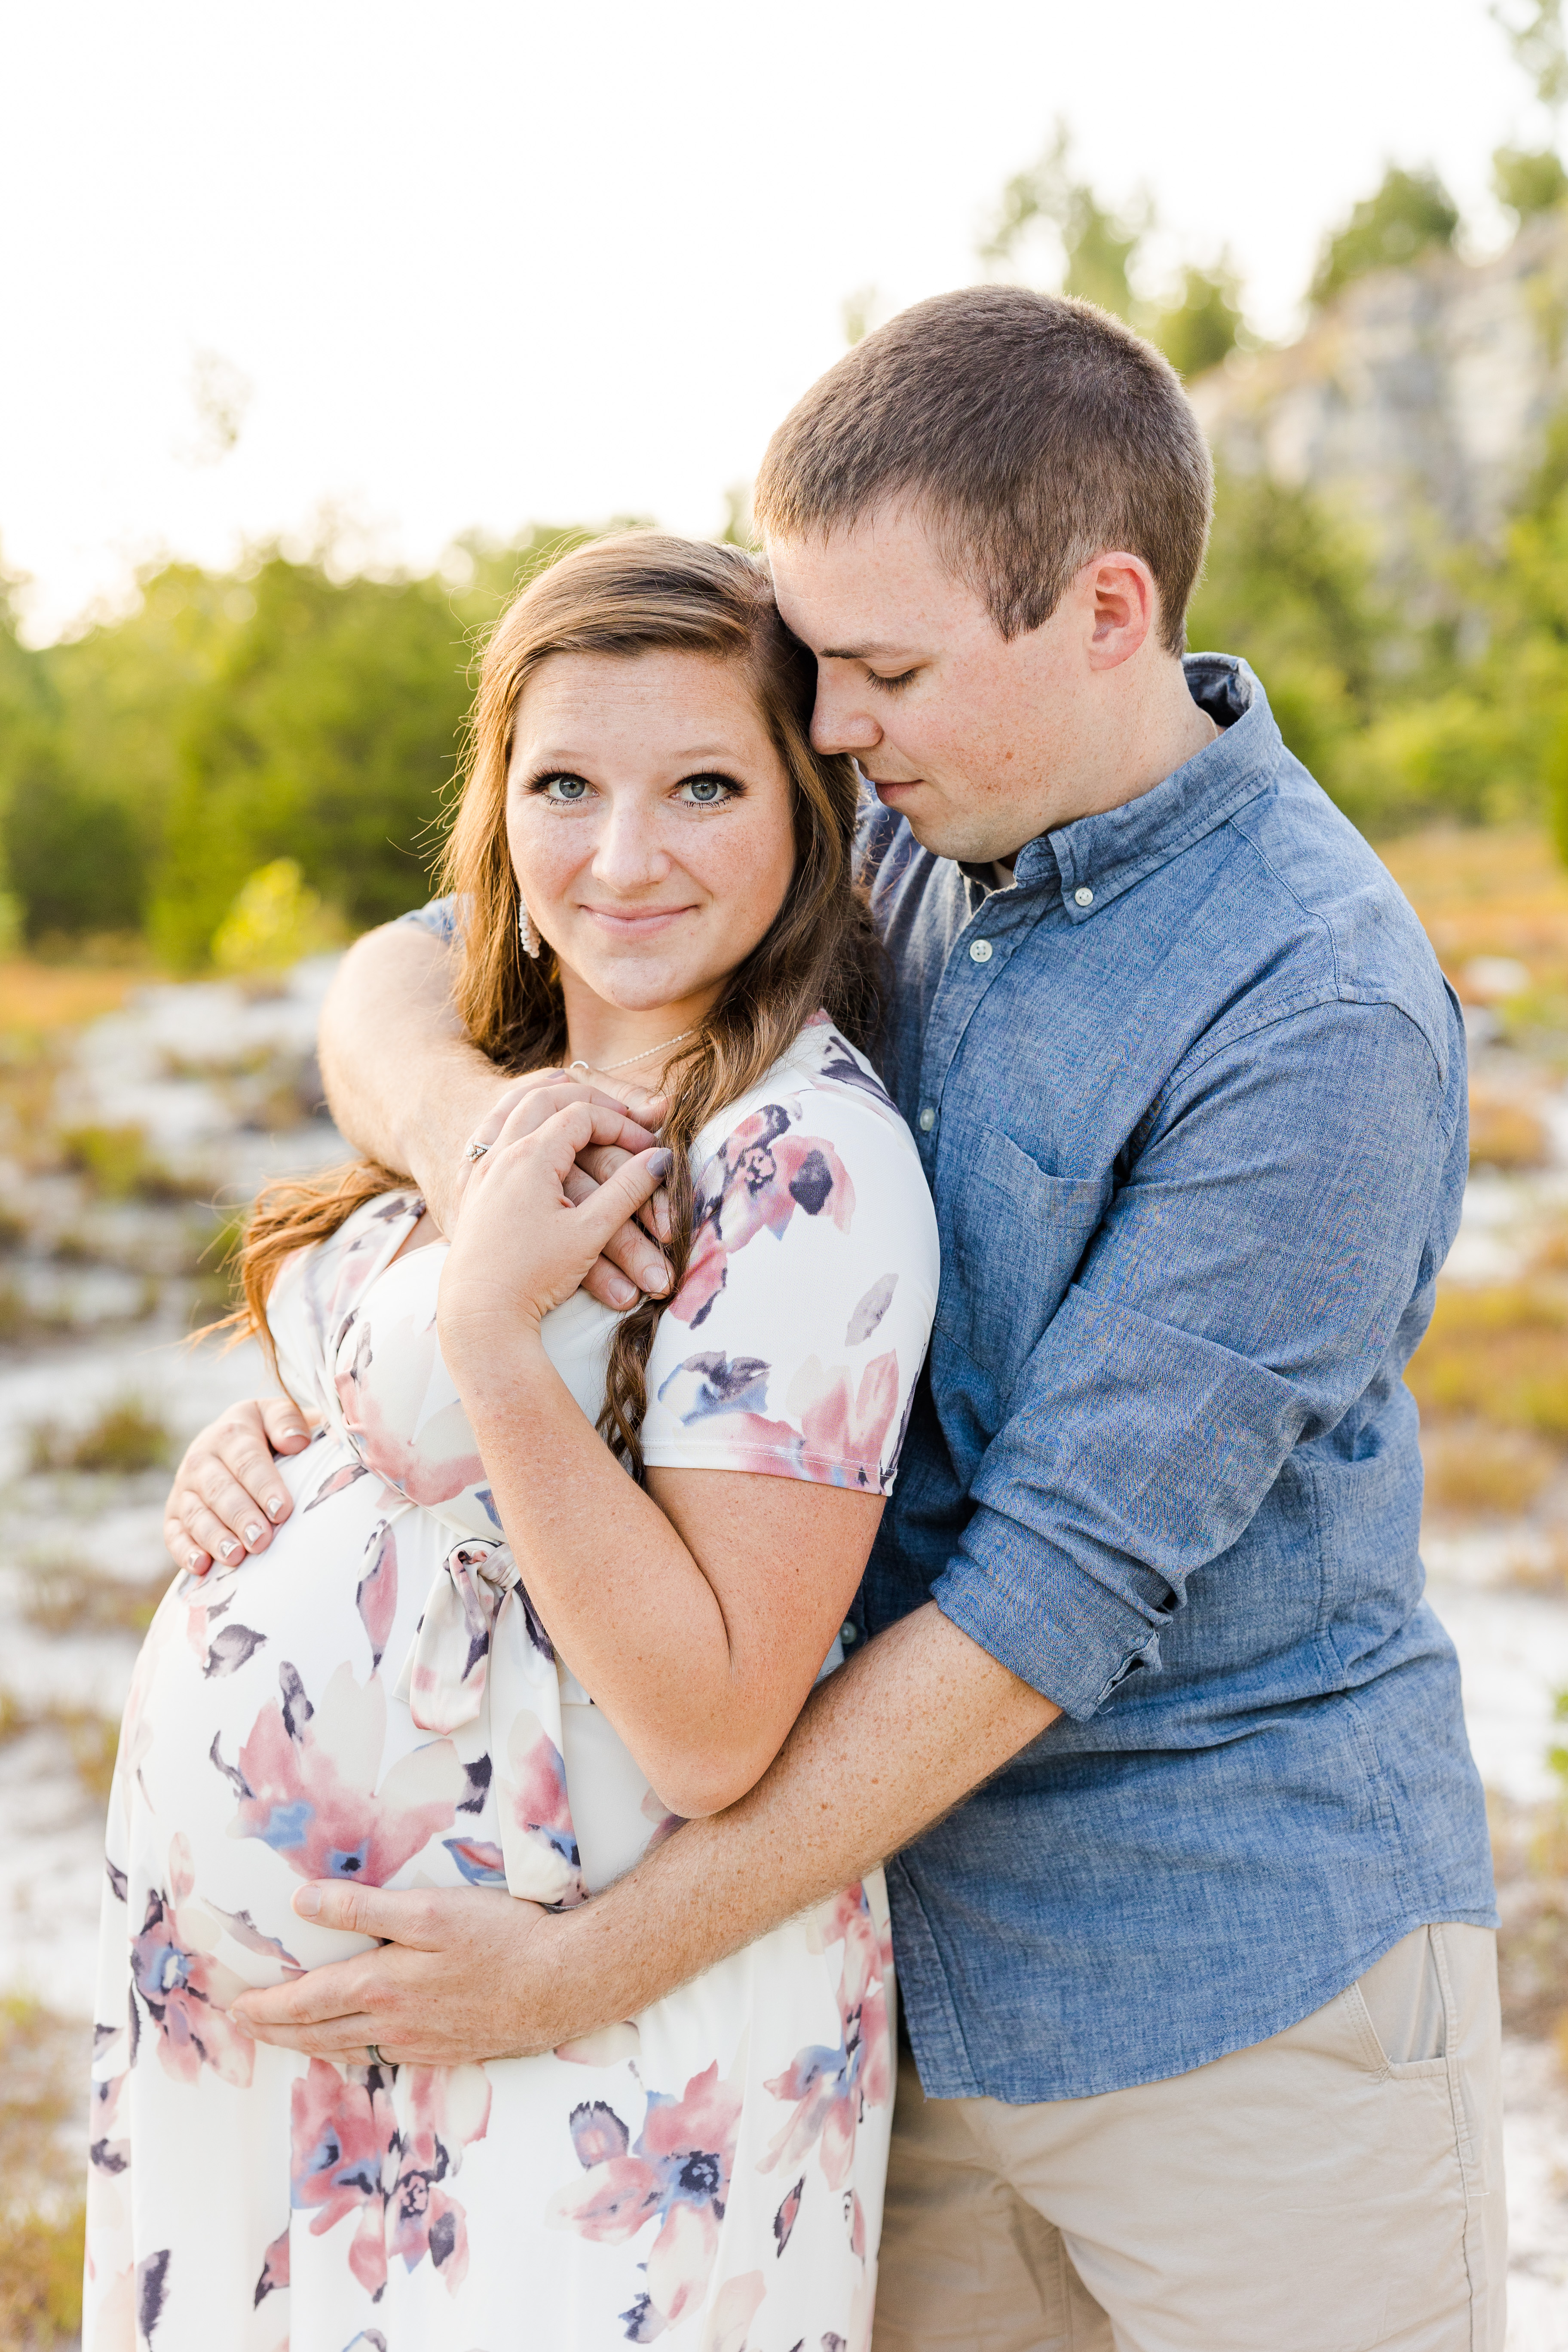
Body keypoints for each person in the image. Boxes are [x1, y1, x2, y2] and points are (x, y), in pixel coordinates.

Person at [169, 288, 1504, 2352]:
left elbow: (1032, 1616)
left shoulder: (1314, 1013)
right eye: (819, 672)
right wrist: (462, 1209)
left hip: (1235, 2006)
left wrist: (580, 1972)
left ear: (1109, 612)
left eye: (878, 672)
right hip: (858, 1972)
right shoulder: (890, 813)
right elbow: (409, 969)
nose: (836, 726)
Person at [86, 534, 940, 2352]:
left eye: (705, 785)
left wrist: (486, 1339)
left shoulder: (807, 1169)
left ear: (810, 809)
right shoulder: (488, 1055)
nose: (623, 858)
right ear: (496, 801)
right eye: (565, 784)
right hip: (301, 2077)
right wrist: (271, 1458)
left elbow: (713, 1726)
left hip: (584, 2070)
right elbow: (414, 1443)